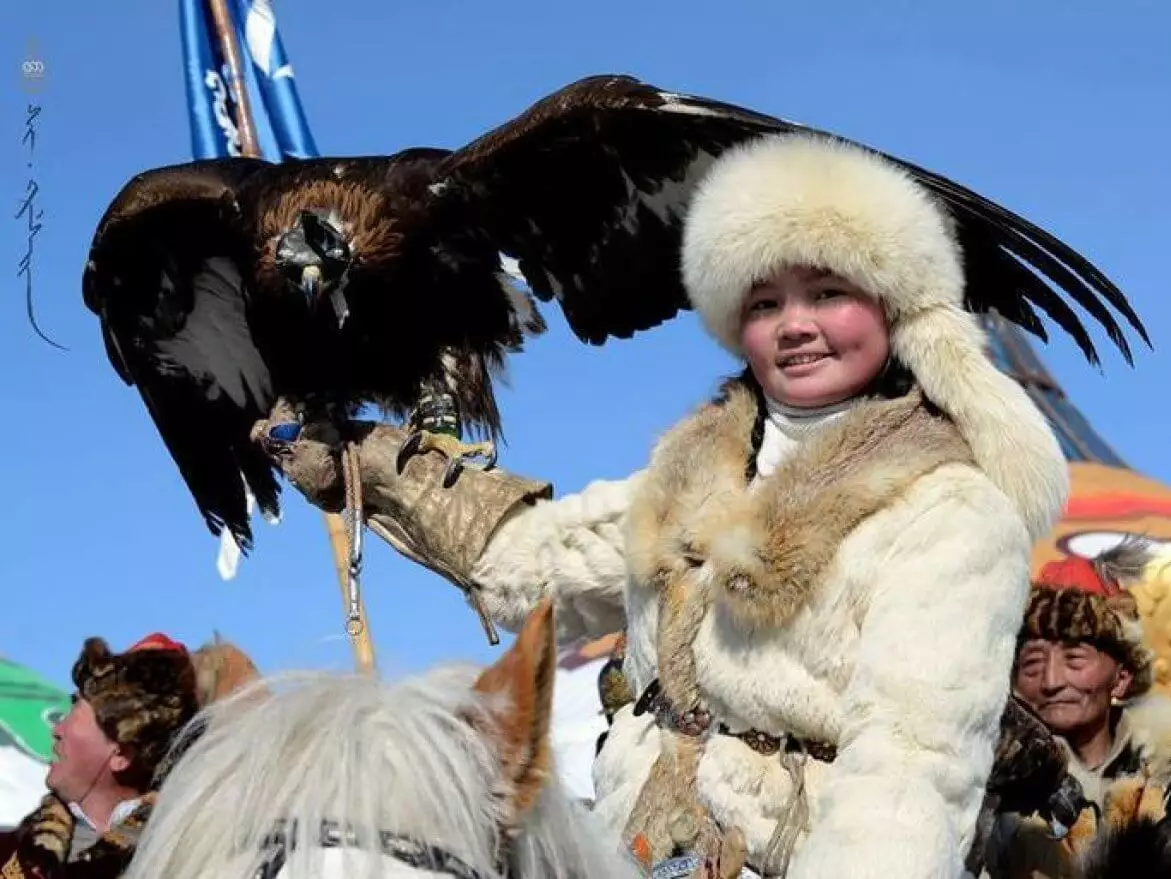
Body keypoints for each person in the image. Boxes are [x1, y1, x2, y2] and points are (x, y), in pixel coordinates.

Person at [262, 132, 1078, 878]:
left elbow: (913, 765)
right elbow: (521, 564)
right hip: (631, 852)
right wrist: (362, 460)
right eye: (764, 303)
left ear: (894, 309)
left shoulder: (950, 509)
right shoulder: (690, 471)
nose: (795, 325)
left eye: (829, 291)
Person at [987, 543, 1171, 877]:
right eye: (1032, 662)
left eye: (1074, 659)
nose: (1051, 681)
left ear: (1121, 678)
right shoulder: (987, 782)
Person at [0, 633, 258, 878]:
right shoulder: (9, 852)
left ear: (121, 753)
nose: (57, 729)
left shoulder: (193, 859)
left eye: (75, 709)